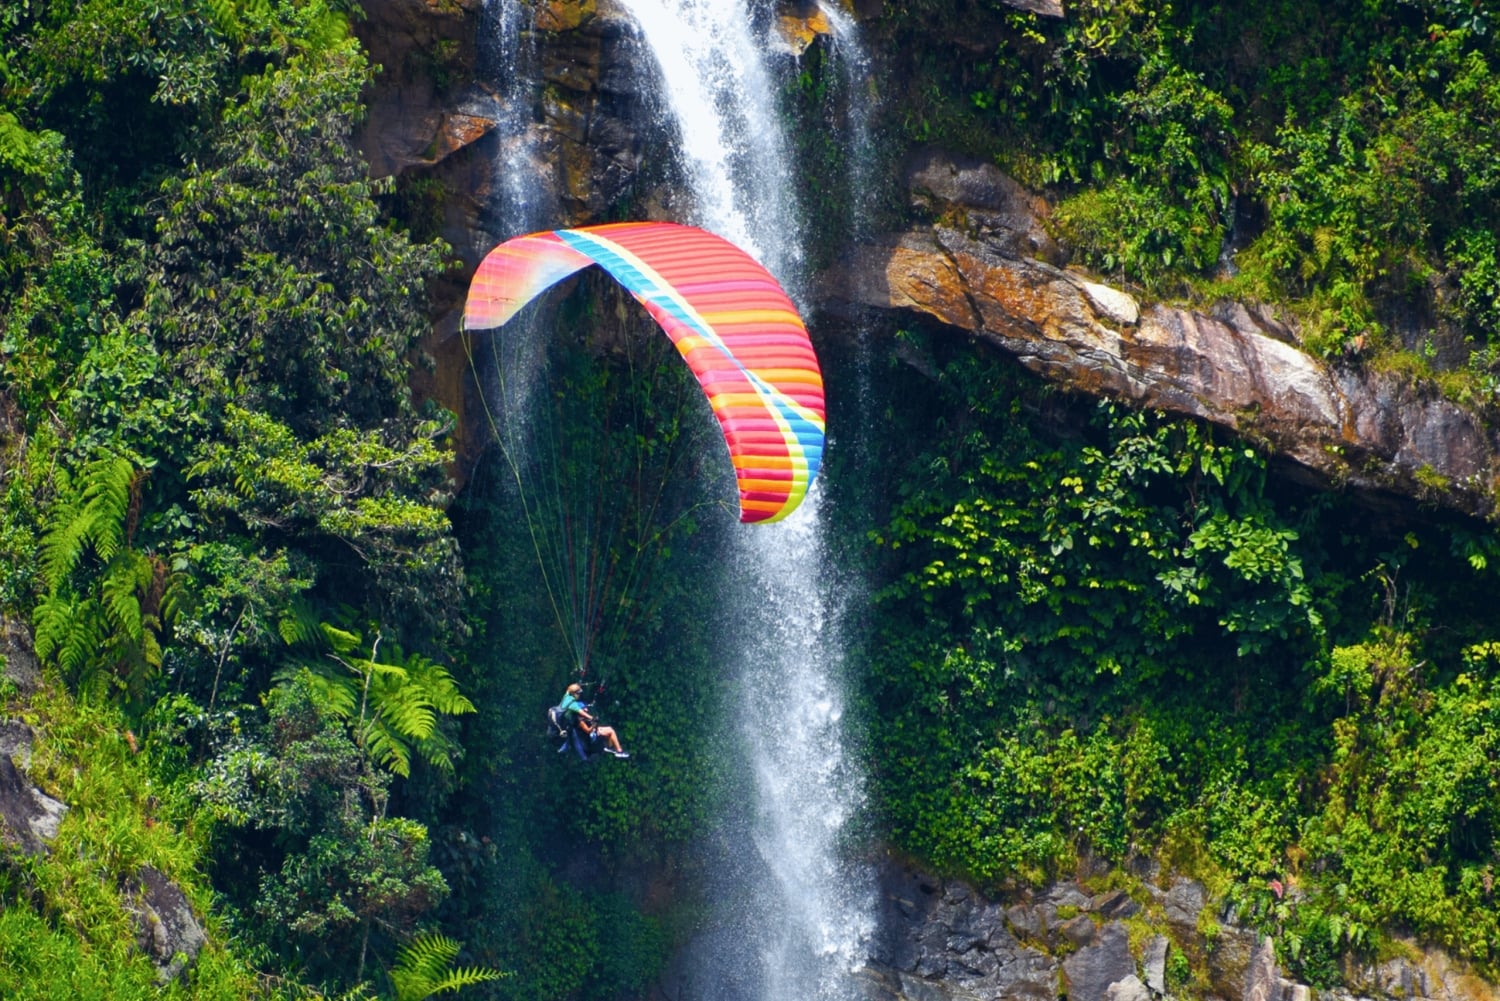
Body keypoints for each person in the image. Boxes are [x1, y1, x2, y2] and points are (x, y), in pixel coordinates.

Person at [557, 683, 629, 758]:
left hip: (591, 732)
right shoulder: (579, 719)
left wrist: (578, 685)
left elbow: (569, 690)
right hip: (591, 736)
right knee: (611, 731)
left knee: (609, 730)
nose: (586, 709)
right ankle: (619, 751)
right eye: (584, 708)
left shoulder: (567, 697)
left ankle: (609, 747)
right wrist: (593, 722)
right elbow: (588, 730)